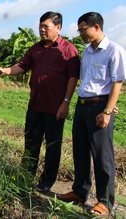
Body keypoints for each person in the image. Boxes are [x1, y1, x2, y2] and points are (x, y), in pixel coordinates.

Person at [0, 11, 80, 193]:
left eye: (46, 26)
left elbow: (73, 77)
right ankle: (26, 175)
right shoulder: (35, 48)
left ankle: (46, 181)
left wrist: (66, 102)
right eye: (40, 26)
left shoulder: (68, 50)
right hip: (35, 105)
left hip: (55, 107)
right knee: (31, 143)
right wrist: (5, 70)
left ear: (58, 27)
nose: (42, 30)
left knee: (53, 146)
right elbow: (22, 66)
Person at [57, 12, 125, 216]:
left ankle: (105, 201)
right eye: (79, 30)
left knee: (102, 155)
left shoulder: (114, 50)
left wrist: (106, 110)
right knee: (80, 149)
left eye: (83, 29)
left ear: (96, 27)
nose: (81, 34)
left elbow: (117, 83)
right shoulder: (87, 52)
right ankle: (80, 191)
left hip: (99, 106)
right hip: (82, 104)